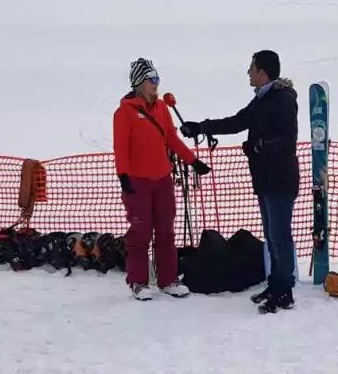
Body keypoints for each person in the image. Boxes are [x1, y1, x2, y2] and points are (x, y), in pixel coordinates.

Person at [179, 50, 299, 314]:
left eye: (251, 68)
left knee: (280, 236)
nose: (248, 72)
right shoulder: (262, 99)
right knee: (271, 235)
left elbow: (286, 141)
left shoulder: (283, 99)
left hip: (280, 178)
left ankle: (285, 291)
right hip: (265, 178)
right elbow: (237, 122)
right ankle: (275, 283)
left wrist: (258, 147)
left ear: (263, 72)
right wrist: (201, 127)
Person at [113, 57, 211, 301]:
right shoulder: (124, 112)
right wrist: (123, 175)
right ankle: (138, 281)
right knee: (140, 231)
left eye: (157, 79)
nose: (156, 84)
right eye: (151, 79)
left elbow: (172, 140)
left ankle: (168, 279)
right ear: (139, 83)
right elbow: (121, 147)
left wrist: (193, 161)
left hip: (163, 179)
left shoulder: (162, 109)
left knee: (166, 231)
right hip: (137, 180)